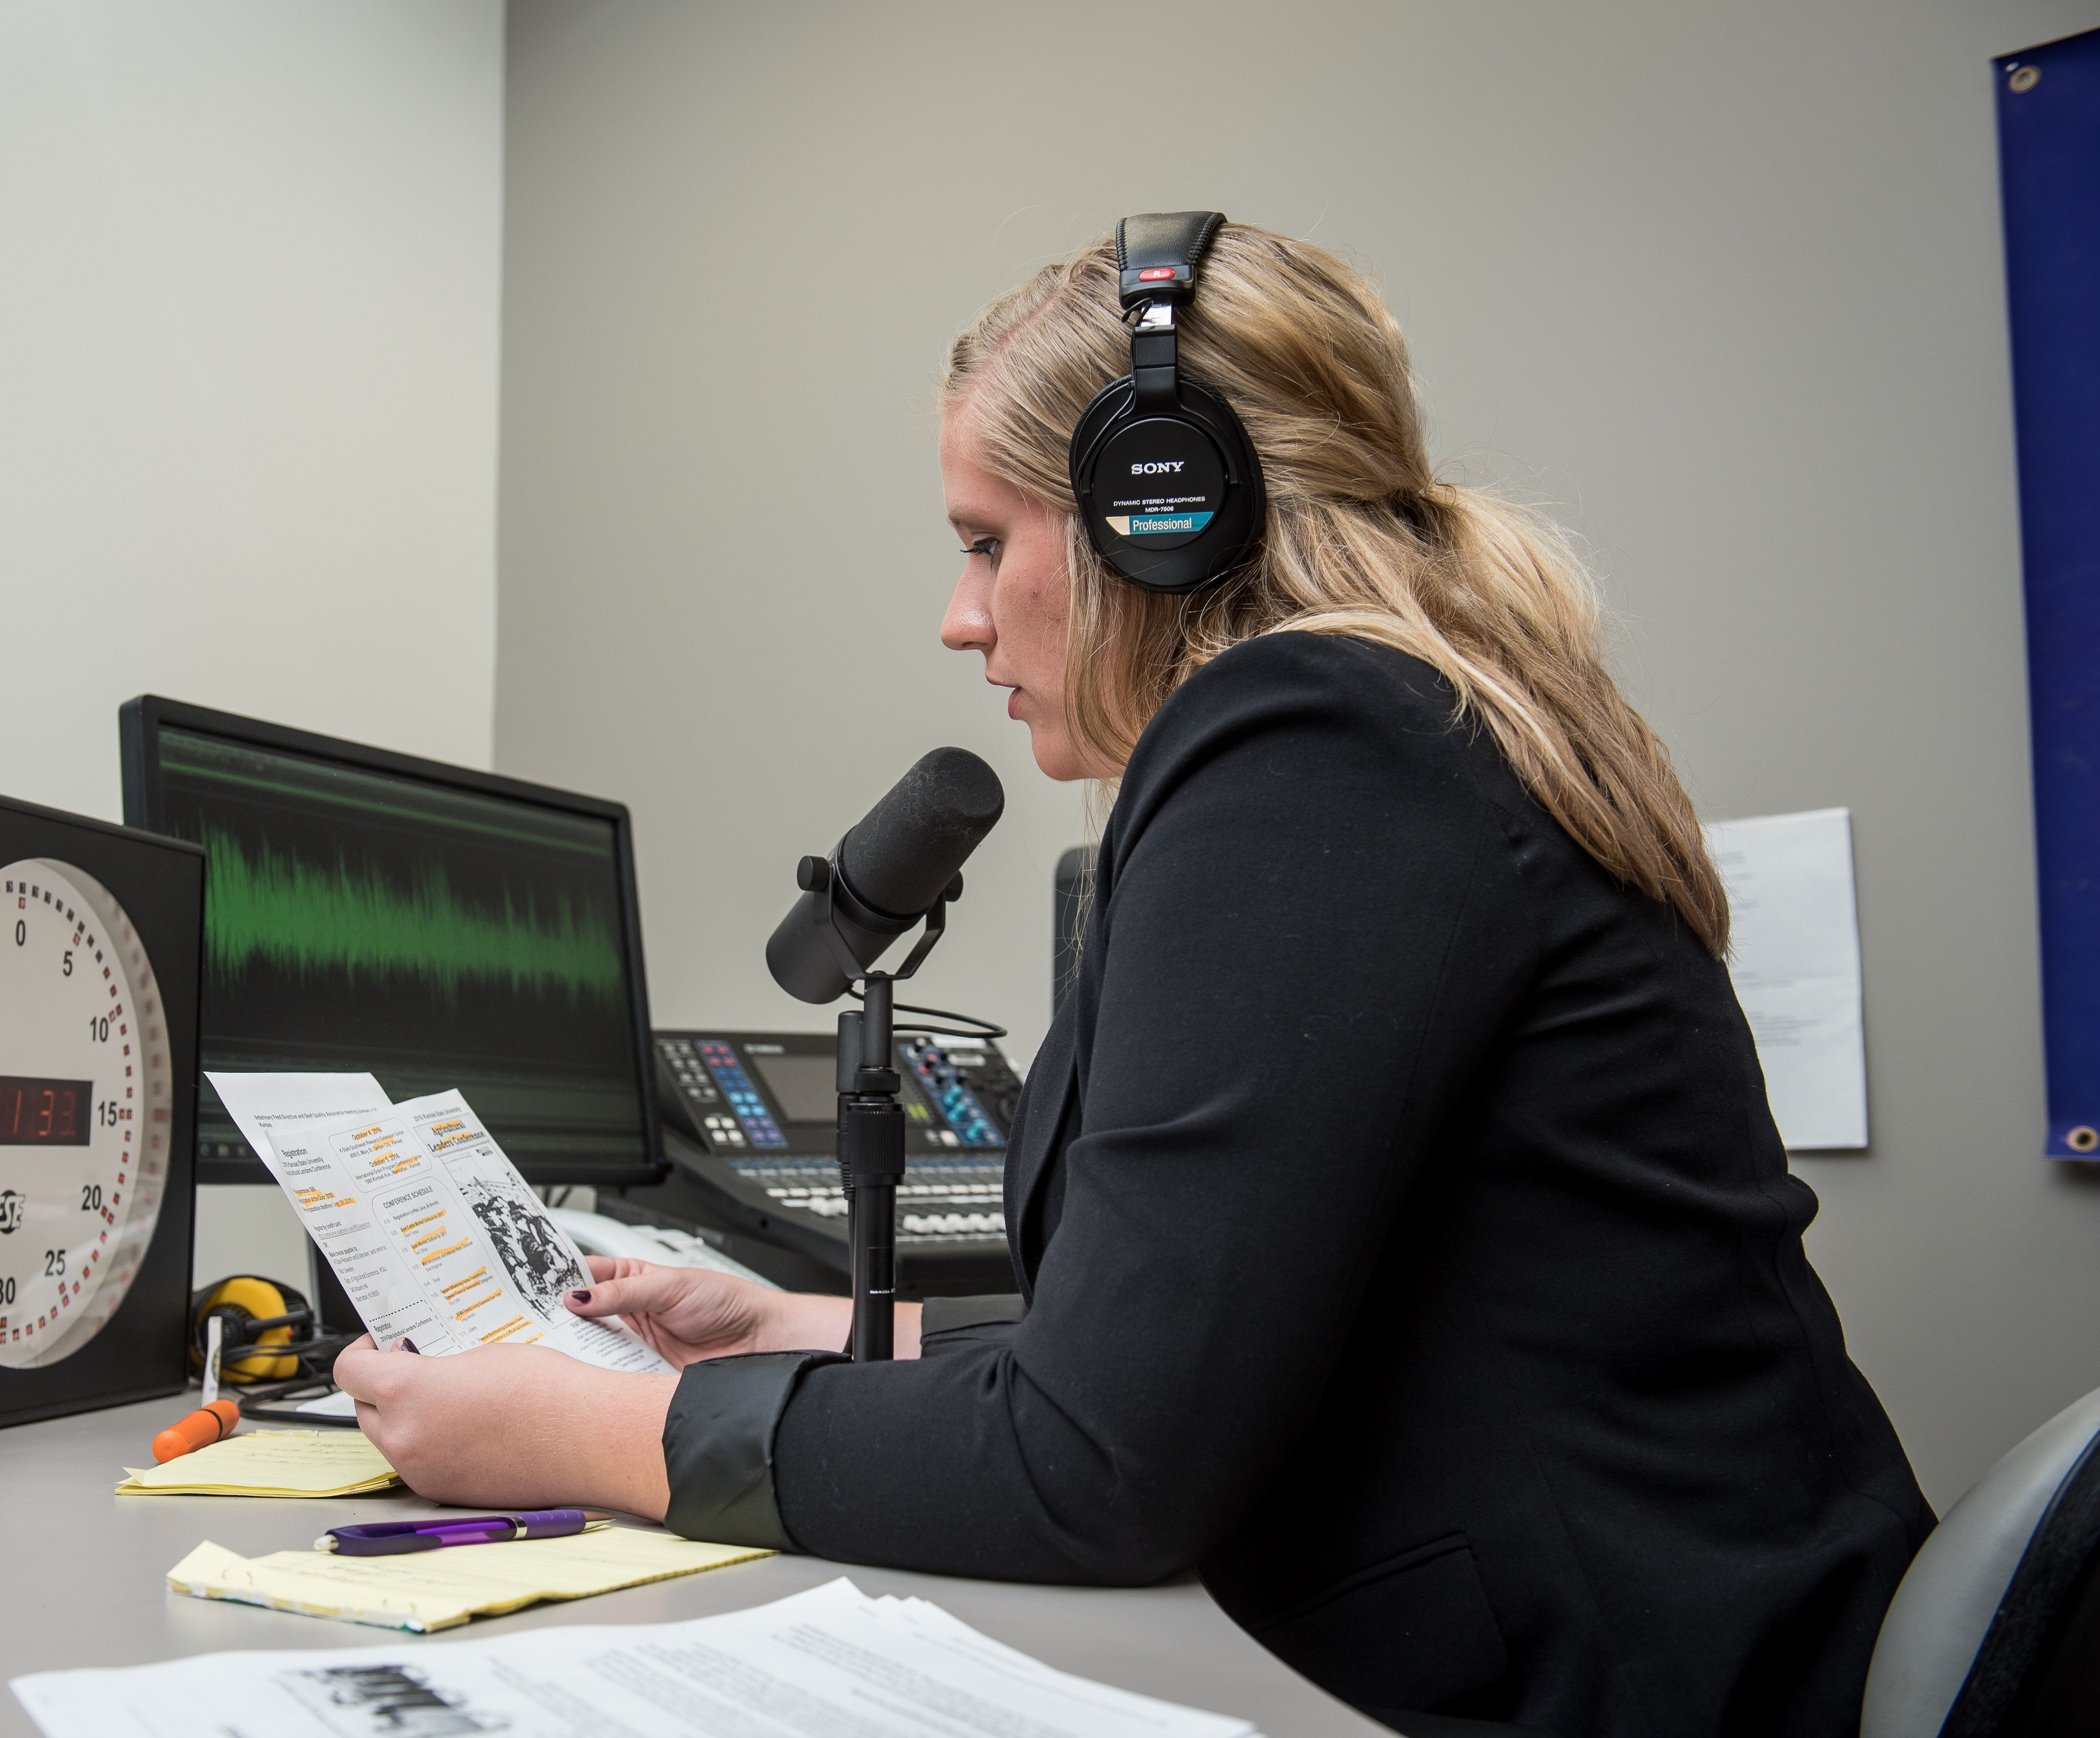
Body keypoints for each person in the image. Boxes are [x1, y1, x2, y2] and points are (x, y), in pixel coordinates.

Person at [335, 219, 1932, 1738]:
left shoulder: (1312, 748)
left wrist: (588, 1432)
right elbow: (1196, 1363)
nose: (958, 618)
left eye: (985, 541)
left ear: (1157, 508)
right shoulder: (1402, 731)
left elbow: (1095, 1465)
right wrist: (803, 1327)